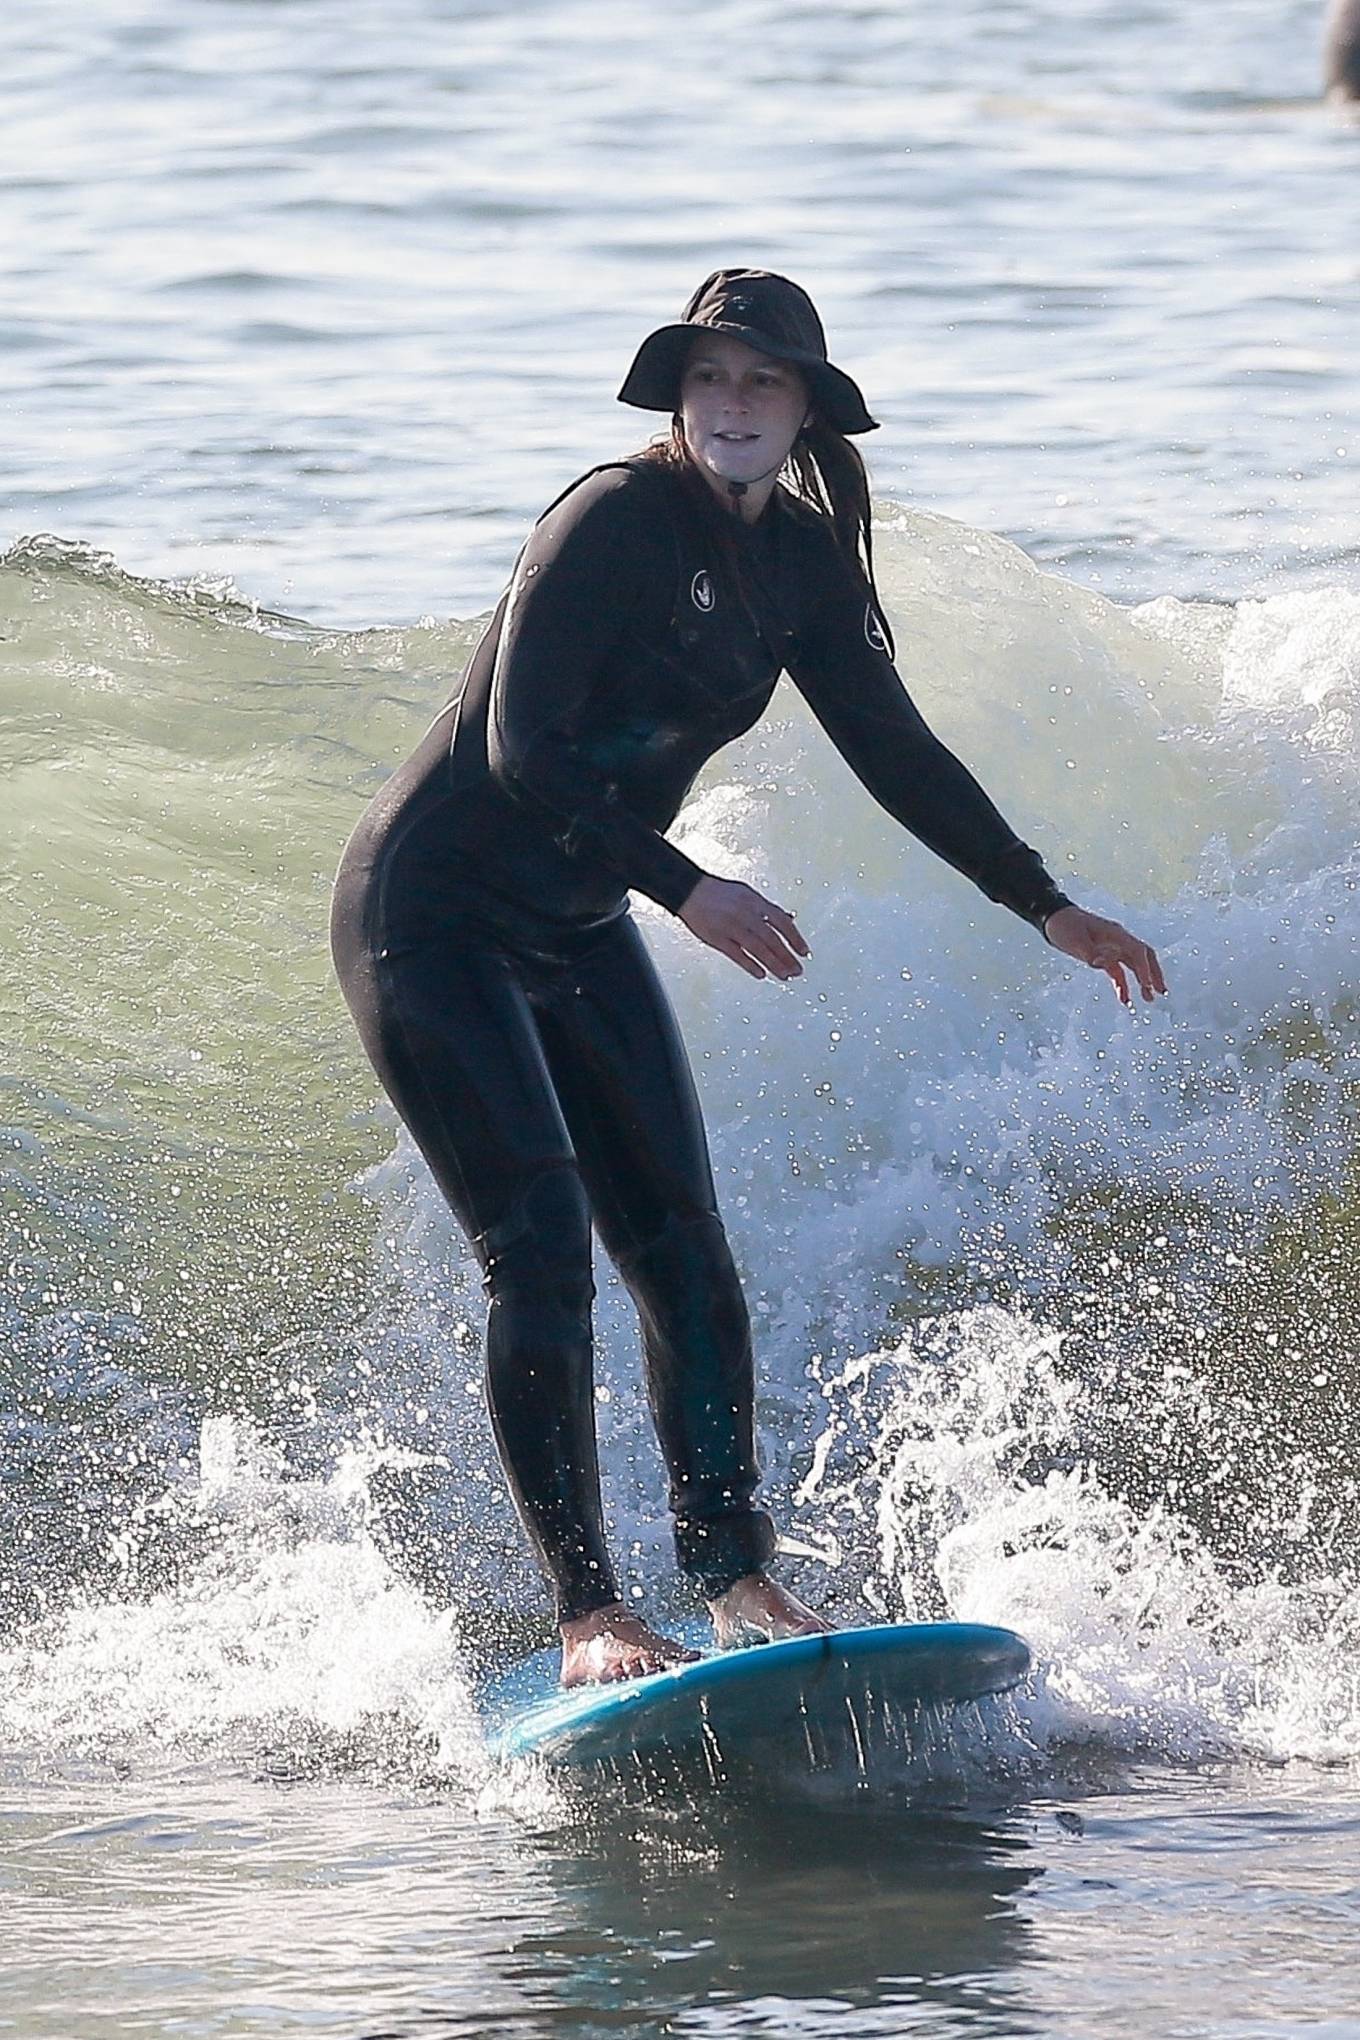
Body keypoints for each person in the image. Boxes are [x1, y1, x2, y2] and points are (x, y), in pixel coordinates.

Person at [331, 268, 1166, 1687]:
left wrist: (1046, 906)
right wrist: (688, 886)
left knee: (687, 1259)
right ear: (679, 396)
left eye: (760, 384)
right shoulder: (607, 521)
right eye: (710, 379)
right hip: (436, 918)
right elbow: (518, 753)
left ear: (804, 413)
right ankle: (591, 1615)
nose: (731, 405)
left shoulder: (801, 563)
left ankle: (731, 1576)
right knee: (539, 1257)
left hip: (579, 922)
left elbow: (897, 751)